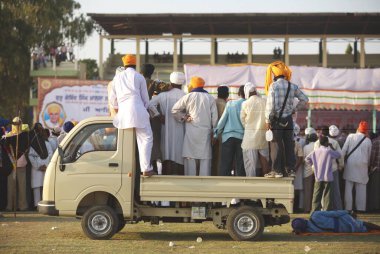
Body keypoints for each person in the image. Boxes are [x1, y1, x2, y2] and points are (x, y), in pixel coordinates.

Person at [109, 54, 155, 176]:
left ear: (124, 65)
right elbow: (146, 99)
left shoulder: (116, 78)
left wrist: (118, 109)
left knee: (126, 142)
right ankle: (146, 168)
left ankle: (124, 170)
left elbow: (112, 100)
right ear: (135, 64)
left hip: (123, 113)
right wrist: (143, 111)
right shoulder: (139, 77)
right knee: (146, 138)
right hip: (138, 109)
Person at [264, 61, 309, 178]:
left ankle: (276, 171)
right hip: (289, 120)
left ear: (274, 75)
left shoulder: (273, 86)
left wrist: (268, 120)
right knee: (289, 144)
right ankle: (290, 170)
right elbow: (305, 98)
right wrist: (294, 108)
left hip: (277, 120)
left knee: (276, 145)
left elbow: (270, 105)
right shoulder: (292, 86)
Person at [172, 76, 218, 176]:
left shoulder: (188, 96)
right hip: (205, 133)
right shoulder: (210, 98)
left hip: (191, 131)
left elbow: (174, 110)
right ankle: (205, 184)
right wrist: (214, 133)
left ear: (193, 85)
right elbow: (215, 118)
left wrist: (184, 117)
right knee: (205, 158)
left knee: (190, 157)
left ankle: (190, 181)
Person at [148, 72, 186, 175]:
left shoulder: (163, 95)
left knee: (166, 154)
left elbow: (150, 105)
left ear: (170, 82)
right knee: (179, 154)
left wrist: (158, 115)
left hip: (165, 129)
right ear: (182, 83)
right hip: (180, 130)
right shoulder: (185, 96)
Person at [214, 85, 245, 176]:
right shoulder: (248, 104)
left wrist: (215, 134)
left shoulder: (230, 104)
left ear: (238, 93)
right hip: (242, 138)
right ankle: (240, 186)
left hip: (228, 137)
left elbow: (222, 121)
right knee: (240, 164)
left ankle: (224, 185)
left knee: (225, 164)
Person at [305, 135, 341, 213]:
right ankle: (326, 212)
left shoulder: (315, 151)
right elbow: (339, 155)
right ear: (327, 143)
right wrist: (332, 147)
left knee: (316, 195)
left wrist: (313, 164)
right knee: (327, 196)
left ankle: (314, 212)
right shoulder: (329, 151)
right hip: (328, 177)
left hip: (318, 176)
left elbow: (307, 159)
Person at [240, 82, 269, 177]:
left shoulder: (245, 103)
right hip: (263, 137)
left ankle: (251, 187)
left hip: (250, 139)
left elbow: (242, 120)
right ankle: (266, 185)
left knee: (250, 166)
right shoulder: (264, 101)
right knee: (265, 162)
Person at [342, 121, 372, 212]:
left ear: (358, 129)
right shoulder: (368, 140)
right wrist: (368, 165)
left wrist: (341, 163)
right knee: (361, 187)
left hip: (350, 164)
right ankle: (360, 208)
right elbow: (369, 155)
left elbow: (343, 151)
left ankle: (348, 208)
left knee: (348, 187)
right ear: (366, 131)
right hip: (363, 165)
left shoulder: (350, 136)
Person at [314, 125, 344, 210]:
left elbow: (315, 156)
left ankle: (324, 209)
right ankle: (338, 208)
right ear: (328, 132)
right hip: (333, 169)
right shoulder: (334, 142)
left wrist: (314, 168)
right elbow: (340, 155)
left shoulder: (317, 142)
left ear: (321, 132)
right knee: (335, 190)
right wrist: (341, 165)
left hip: (320, 170)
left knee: (322, 191)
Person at [292, 210, 380, 234]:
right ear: (303, 219)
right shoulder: (315, 215)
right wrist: (348, 211)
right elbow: (334, 213)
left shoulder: (310, 231)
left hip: (344, 230)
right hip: (344, 221)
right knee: (363, 223)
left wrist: (297, 230)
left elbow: (299, 229)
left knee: (362, 226)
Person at [29, 127, 52, 209]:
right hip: (37, 168)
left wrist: (45, 166)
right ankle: (37, 205)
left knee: (45, 185)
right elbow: (30, 156)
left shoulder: (47, 143)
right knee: (37, 187)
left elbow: (50, 155)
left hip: (44, 167)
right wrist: (38, 166)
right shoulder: (33, 145)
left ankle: (44, 204)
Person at [212, 85, 229, 176]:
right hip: (222, 135)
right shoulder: (226, 105)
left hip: (211, 134)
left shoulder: (213, 102)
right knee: (220, 158)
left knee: (212, 158)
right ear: (227, 94)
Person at [303, 128, 318, 213]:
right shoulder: (318, 146)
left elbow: (304, 159)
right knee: (316, 191)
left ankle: (307, 208)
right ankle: (316, 208)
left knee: (307, 191)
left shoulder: (305, 147)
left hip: (307, 171)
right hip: (317, 171)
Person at [367, 130, 380, 211]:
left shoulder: (375, 142)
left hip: (376, 169)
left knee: (375, 189)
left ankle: (375, 207)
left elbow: (372, 157)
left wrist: (371, 166)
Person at [293, 124, 304, 212]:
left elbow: (300, 158)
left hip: (290, 168)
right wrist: (295, 169)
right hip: (295, 168)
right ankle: (295, 208)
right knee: (295, 189)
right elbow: (300, 158)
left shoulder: (297, 143)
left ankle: (293, 208)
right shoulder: (298, 142)